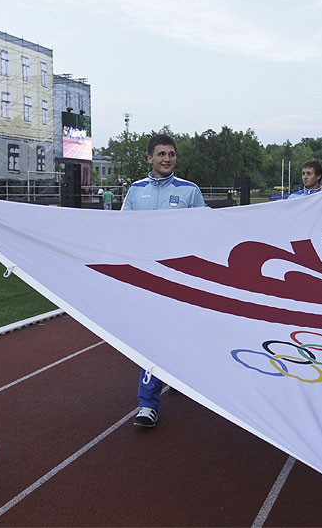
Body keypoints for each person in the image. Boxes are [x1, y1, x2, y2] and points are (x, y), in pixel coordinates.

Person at [122, 133, 205, 427]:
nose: (167, 159)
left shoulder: (190, 191)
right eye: (161, 154)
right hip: (146, 277)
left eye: (171, 154)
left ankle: (177, 374)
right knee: (150, 336)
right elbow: (123, 229)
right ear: (150, 158)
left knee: (179, 333)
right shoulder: (135, 191)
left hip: (180, 278)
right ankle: (148, 404)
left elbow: (204, 233)